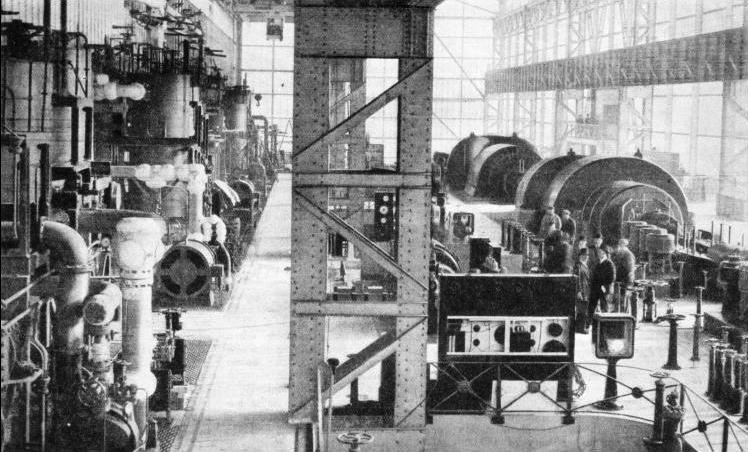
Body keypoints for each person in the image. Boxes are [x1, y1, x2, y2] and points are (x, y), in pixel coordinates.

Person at [587, 246, 616, 326]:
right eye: (598, 252)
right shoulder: (598, 263)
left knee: (605, 307)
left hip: (604, 289)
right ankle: (588, 324)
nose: (598, 254)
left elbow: (612, 278)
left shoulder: (609, 263)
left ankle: (606, 325)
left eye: (600, 252)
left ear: (604, 253)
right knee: (591, 306)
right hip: (595, 288)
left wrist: (604, 286)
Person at [574, 248, 591, 333]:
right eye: (584, 256)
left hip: (586, 291)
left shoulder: (585, 265)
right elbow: (577, 280)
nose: (586, 257)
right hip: (582, 291)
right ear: (580, 256)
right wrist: (578, 291)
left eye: (587, 256)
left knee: (584, 309)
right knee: (582, 310)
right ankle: (581, 328)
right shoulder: (578, 266)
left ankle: (579, 327)